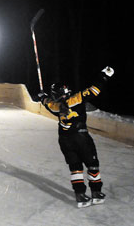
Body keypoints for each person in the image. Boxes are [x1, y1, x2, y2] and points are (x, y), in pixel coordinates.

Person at [39, 66, 114, 208]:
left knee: (75, 167)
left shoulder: (55, 106)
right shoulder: (76, 99)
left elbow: (47, 103)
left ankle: (80, 195)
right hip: (81, 138)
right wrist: (104, 76)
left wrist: (42, 97)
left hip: (64, 140)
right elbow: (94, 91)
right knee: (92, 165)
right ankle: (96, 193)